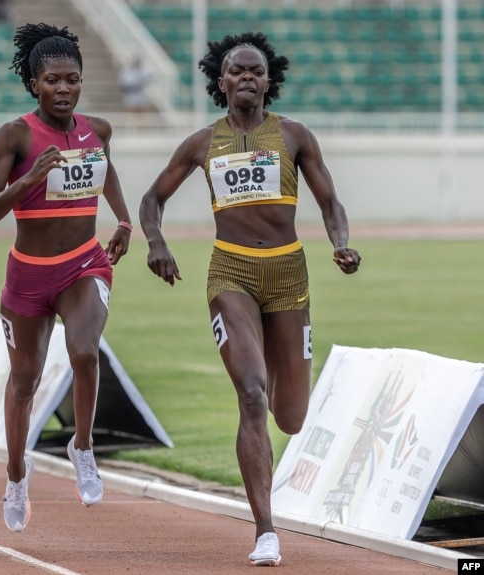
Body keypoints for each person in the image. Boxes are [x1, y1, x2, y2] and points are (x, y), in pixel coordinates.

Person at [137, 32, 361, 566]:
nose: (246, 79)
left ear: (268, 80)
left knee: (291, 416)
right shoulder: (200, 143)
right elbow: (152, 198)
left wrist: (342, 244)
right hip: (230, 271)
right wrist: (156, 241)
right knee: (253, 395)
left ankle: (279, 437)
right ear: (221, 81)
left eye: (255, 71)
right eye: (236, 71)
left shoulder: (294, 136)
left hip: (289, 274)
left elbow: (331, 202)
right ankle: (266, 531)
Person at [0, 23, 132, 533]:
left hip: (84, 263)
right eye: (53, 81)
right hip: (28, 277)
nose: (64, 90)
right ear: (34, 83)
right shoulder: (15, 136)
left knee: (84, 351)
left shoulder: (97, 130)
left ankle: (81, 446)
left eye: (72, 80)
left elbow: (108, 173)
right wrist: (31, 178)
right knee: (24, 382)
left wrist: (123, 221)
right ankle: (17, 474)